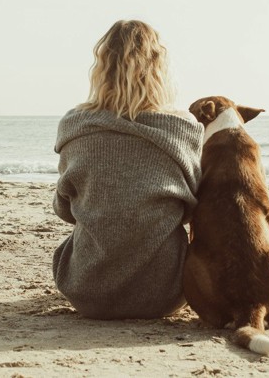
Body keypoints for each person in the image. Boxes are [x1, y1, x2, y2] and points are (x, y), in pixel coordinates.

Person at [52, 20, 203, 319]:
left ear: (102, 67)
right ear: (159, 67)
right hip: (165, 294)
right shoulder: (183, 128)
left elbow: (64, 209)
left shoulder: (75, 126)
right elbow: (189, 210)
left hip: (87, 292)